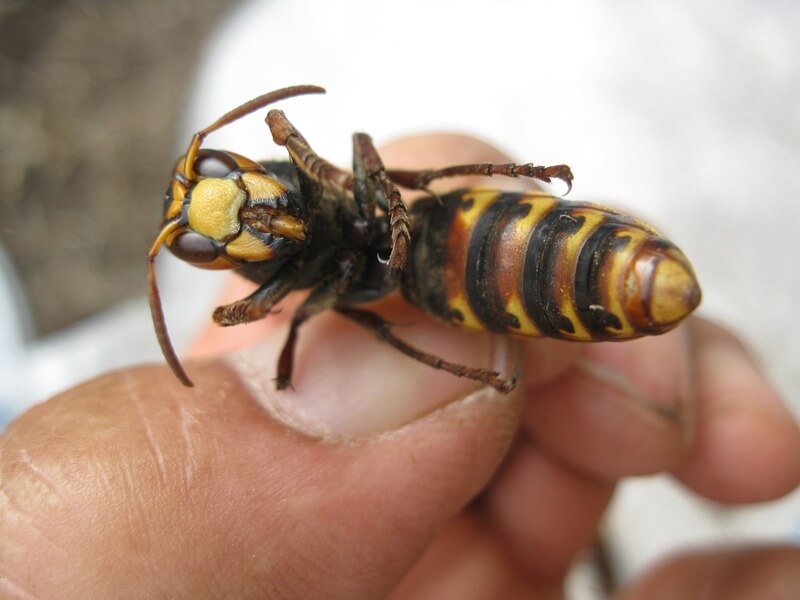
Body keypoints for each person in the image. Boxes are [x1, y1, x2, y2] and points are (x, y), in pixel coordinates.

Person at [2, 135, 799, 598]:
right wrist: (277, 325)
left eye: (217, 186)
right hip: (450, 279)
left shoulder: (332, 188)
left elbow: (372, 175)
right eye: (210, 234)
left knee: (395, 194)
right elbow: (258, 310)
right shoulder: (304, 294)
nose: (233, 210)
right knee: (359, 284)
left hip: (459, 234)